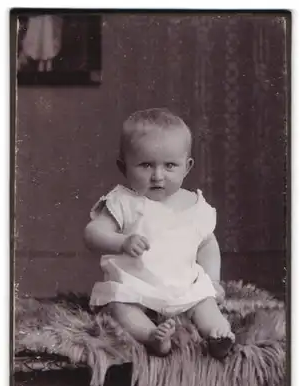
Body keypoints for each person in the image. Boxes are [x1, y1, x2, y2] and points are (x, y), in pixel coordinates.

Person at [84, 108, 235, 358]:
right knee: (121, 306)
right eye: (145, 165)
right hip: (135, 287)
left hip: (184, 286)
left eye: (170, 166)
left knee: (204, 301)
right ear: (123, 167)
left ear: (187, 167)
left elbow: (207, 244)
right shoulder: (123, 201)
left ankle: (218, 335)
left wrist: (213, 280)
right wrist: (122, 242)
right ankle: (151, 337)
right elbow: (92, 233)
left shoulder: (195, 206)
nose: (158, 176)